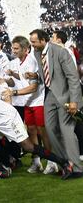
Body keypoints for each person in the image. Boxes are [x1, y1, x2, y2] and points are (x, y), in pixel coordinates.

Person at [30, 29, 83, 177]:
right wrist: (35, 76)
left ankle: (77, 168)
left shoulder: (61, 52)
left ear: (43, 40)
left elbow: (73, 78)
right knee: (50, 129)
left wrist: (74, 101)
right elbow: (46, 76)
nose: (32, 45)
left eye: (34, 42)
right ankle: (65, 163)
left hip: (66, 95)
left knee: (66, 130)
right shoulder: (37, 53)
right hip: (50, 95)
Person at [3, 35, 56, 174]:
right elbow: (22, 78)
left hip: (38, 101)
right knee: (31, 131)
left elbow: (33, 87)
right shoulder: (19, 62)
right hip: (27, 102)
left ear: (26, 49)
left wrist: (14, 93)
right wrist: (10, 76)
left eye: (16, 48)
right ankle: (37, 161)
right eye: (12, 48)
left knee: (42, 132)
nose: (13, 51)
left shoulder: (32, 61)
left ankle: (52, 162)